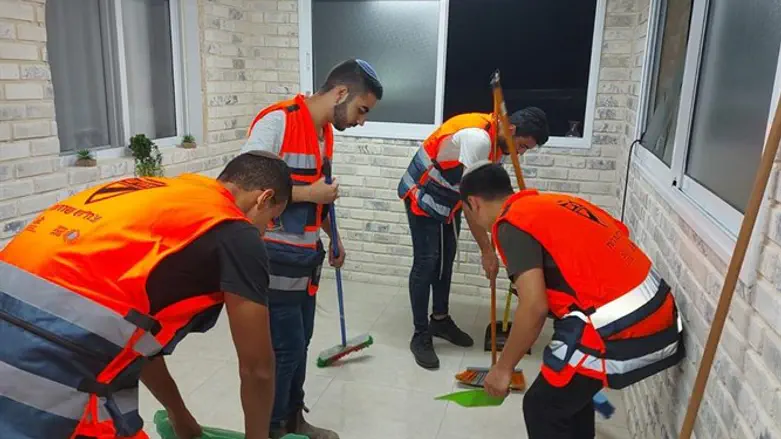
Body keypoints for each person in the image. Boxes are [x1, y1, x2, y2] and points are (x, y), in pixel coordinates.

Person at [0, 151, 292, 439]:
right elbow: (257, 369)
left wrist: (179, 415)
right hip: (49, 356)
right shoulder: (235, 232)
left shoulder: (164, 193)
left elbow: (138, 336)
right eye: (271, 220)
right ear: (263, 198)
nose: (265, 233)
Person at [459, 163, 685, 439]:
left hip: (619, 323)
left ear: (473, 203)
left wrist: (503, 368)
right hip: (658, 309)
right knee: (569, 396)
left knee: (542, 407)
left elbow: (534, 307)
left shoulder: (511, 225)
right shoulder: (555, 203)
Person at [240, 58, 383, 439]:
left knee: (299, 343)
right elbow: (243, 191)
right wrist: (309, 192)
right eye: (361, 109)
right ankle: (273, 429)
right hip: (272, 258)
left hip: (305, 259)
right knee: (284, 350)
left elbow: (315, 197)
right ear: (340, 93)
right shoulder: (277, 122)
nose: (361, 120)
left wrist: (332, 237)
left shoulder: (324, 132)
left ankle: (292, 420)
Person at [397, 108, 549, 369]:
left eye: (525, 150)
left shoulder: (498, 148)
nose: (520, 154)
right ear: (511, 130)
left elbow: (490, 198)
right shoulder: (478, 139)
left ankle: (440, 320)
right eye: (521, 146)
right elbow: (473, 203)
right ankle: (420, 334)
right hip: (423, 191)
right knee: (427, 261)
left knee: (446, 260)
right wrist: (487, 252)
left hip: (449, 197)